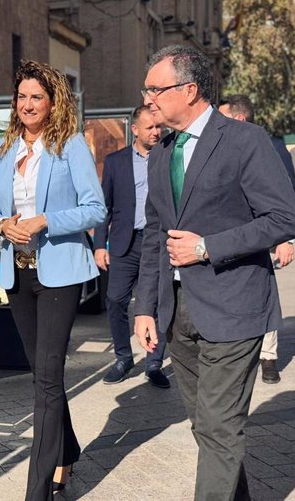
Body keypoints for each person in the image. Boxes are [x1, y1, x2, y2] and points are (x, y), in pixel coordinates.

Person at [134, 45, 295, 500]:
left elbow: (285, 219)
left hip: (234, 305)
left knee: (220, 428)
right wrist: (145, 307)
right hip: (177, 311)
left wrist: (207, 247)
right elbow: (155, 235)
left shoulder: (246, 141)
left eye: (155, 88)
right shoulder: (159, 153)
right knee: (209, 427)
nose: (148, 97)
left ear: (189, 90)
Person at [0, 59, 105, 500]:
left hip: (60, 274)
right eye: (22, 97)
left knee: (48, 376)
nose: (27, 104)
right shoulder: (2, 152)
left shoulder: (69, 145)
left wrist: (42, 221)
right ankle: (67, 450)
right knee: (43, 375)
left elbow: (95, 209)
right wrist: (2, 227)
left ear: (52, 103)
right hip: (18, 275)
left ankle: (37, 491)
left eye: (37, 97)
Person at [218, 93, 295, 384]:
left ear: (239, 118)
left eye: (222, 117)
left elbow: (286, 195)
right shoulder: (214, 148)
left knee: (264, 294)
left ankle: (268, 357)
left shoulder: (271, 146)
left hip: (263, 235)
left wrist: (284, 240)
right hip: (230, 236)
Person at [94, 106, 170, 388]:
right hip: (125, 242)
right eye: (149, 127)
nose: (155, 132)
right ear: (135, 129)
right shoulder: (116, 162)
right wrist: (100, 244)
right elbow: (105, 207)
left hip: (159, 243)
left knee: (159, 303)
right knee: (115, 300)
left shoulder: (168, 156)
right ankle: (123, 358)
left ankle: (154, 363)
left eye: (158, 127)